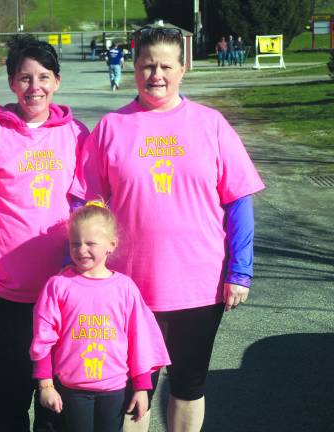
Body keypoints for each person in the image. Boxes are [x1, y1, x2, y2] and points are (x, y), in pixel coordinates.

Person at [70, 26, 265, 432]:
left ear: (183, 68)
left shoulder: (210, 125)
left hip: (200, 283)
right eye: (146, 66)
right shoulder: (112, 128)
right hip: (128, 286)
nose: (155, 75)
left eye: (164, 66)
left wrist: (240, 270)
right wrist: (85, 263)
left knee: (189, 384)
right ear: (133, 68)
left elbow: (238, 201)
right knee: (133, 389)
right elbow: (87, 203)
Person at [0, 34, 89, 432]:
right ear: (12, 83)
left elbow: (86, 207)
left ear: (57, 82)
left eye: (44, 77)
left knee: (56, 397)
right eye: (25, 78)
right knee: (5, 392)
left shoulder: (76, 136)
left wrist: (81, 270)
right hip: (0, 290)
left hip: (62, 290)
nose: (35, 87)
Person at [30, 203, 171, 432]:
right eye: (75, 243)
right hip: (72, 389)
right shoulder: (58, 286)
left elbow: (140, 341)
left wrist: (142, 387)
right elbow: (43, 338)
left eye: (90, 243)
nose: (81, 249)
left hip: (114, 389)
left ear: (111, 245)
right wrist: (46, 385)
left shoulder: (125, 288)